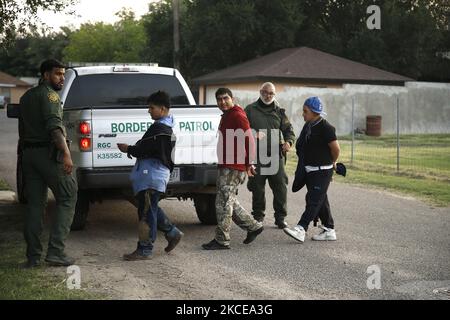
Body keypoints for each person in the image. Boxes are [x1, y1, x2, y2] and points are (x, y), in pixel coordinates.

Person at [20, 59, 77, 268]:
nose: (62, 78)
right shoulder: (50, 96)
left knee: (35, 206)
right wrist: (67, 154)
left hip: (29, 156)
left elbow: (23, 130)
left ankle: (33, 257)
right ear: (45, 75)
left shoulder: (26, 97)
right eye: (57, 74)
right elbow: (55, 128)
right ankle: (55, 252)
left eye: (63, 74)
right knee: (68, 195)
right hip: (48, 154)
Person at [117, 91, 183, 260]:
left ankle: (145, 248)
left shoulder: (159, 129)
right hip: (155, 176)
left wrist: (128, 149)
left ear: (162, 109)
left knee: (146, 212)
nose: (149, 111)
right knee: (150, 207)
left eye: (151, 107)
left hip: (151, 176)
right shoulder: (165, 128)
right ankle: (172, 232)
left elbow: (144, 150)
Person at [202, 88, 264, 250]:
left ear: (232, 98)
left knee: (222, 203)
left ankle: (222, 240)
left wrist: (250, 162)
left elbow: (249, 139)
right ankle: (254, 227)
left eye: (225, 98)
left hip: (233, 166)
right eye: (219, 99)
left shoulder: (237, 115)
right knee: (228, 200)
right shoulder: (228, 115)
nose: (222, 102)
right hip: (226, 165)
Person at [284, 96, 340, 243]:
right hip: (309, 170)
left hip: (322, 171)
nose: (303, 114)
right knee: (320, 199)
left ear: (314, 112)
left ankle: (301, 228)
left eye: (305, 111)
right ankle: (329, 229)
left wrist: (333, 162)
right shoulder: (308, 125)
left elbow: (336, 149)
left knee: (313, 200)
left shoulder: (326, 128)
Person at [245, 82, 295, 228]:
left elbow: (289, 131)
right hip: (257, 156)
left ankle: (280, 218)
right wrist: (254, 134)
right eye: (266, 92)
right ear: (260, 91)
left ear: (274, 94)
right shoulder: (250, 110)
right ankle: (258, 216)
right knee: (257, 186)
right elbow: (242, 130)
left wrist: (289, 142)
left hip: (275, 155)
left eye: (271, 93)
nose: (268, 95)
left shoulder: (279, 112)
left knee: (280, 186)